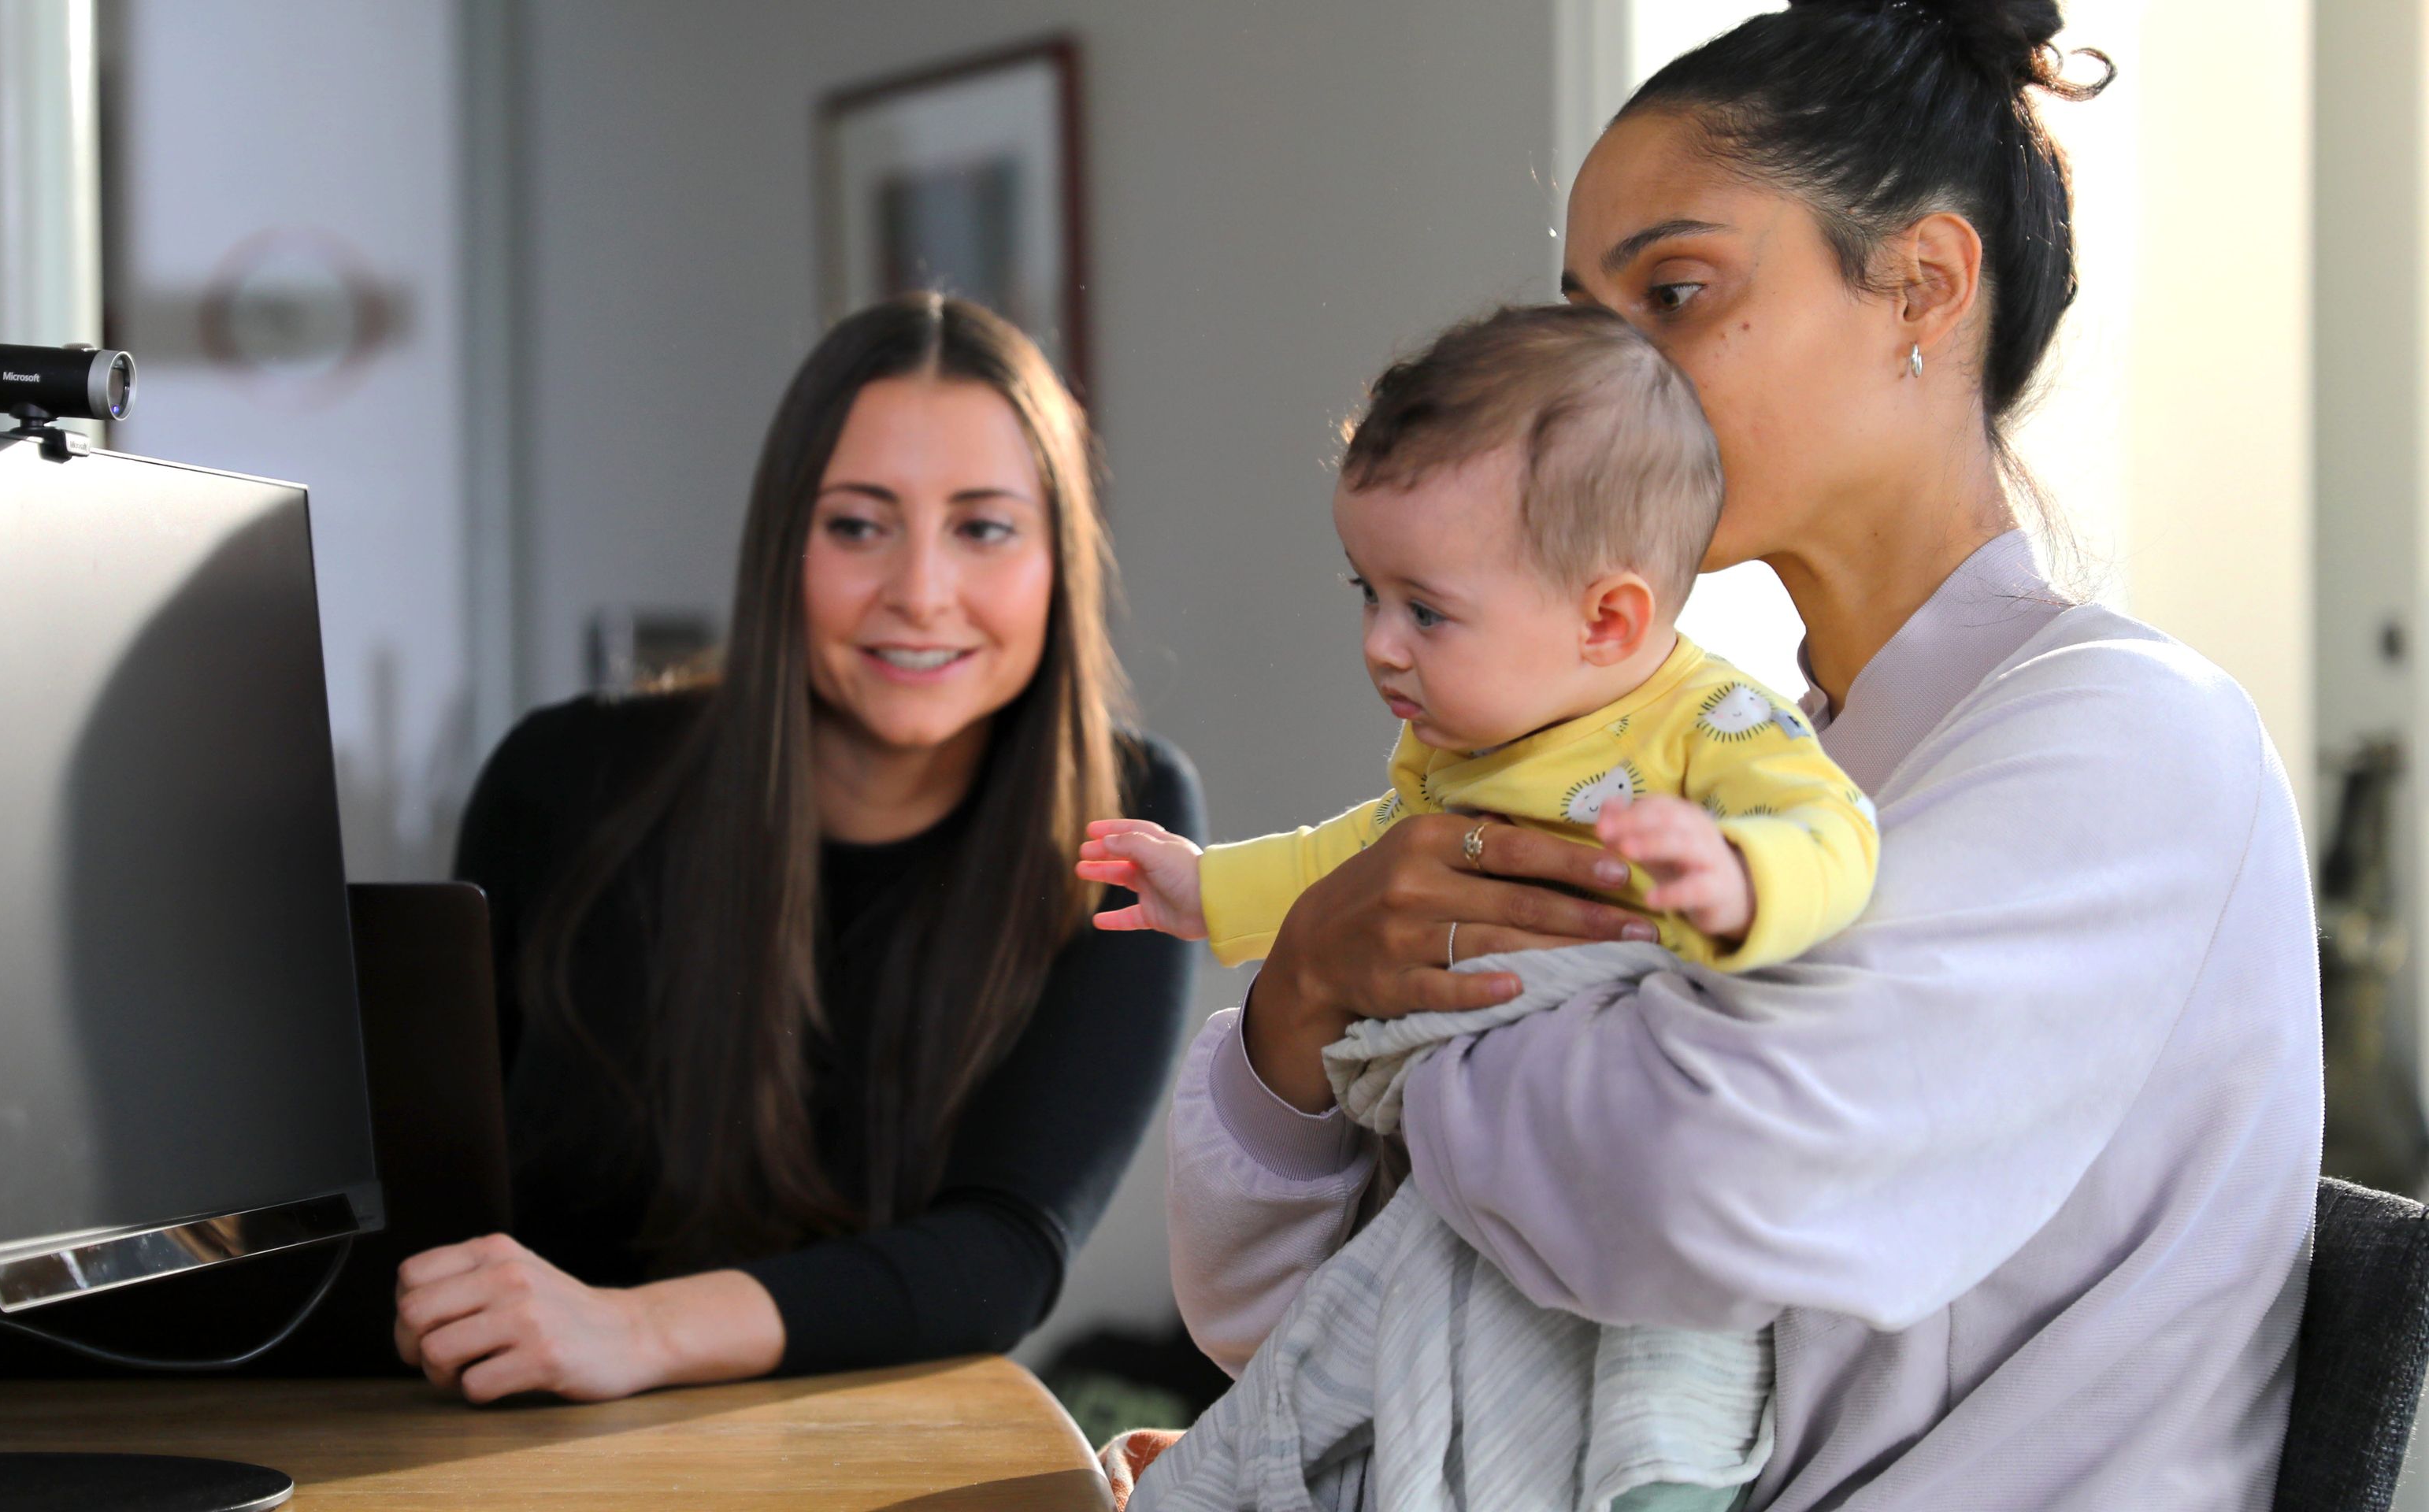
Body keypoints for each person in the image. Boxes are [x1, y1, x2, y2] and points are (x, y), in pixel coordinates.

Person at [1159, 2, 2318, 1508]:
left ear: (1922, 286)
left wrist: (1405, 1046)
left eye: (1679, 294)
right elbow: (1267, 1313)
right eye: (1581, 318)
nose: (1601, 382)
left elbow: (1694, 1192)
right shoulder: (1716, 762)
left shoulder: (2131, 744)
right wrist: (1308, 987)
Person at [402, 291, 1203, 1404]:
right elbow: (428, 1207)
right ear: (784, 546)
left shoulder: (1127, 815)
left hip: (873, 1467)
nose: (920, 595)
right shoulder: (561, 781)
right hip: (514, 1446)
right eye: (859, 525)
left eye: (983, 528)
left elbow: (1005, 1253)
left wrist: (632, 1333)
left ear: (1059, 558)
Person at [1084, 304, 1876, 986]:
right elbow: (1357, 865)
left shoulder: (1715, 724)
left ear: (1604, 622)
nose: (1382, 645)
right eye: (1369, 593)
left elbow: (1837, 833)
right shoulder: (1460, 749)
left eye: (1425, 612)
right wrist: (1207, 889)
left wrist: (1739, 877)